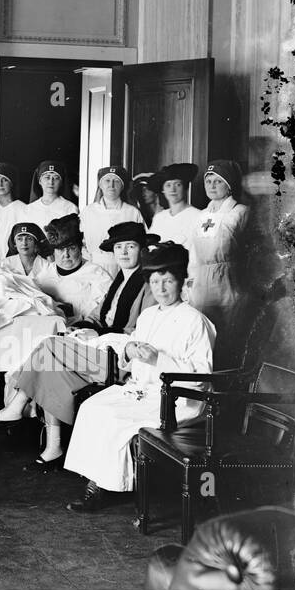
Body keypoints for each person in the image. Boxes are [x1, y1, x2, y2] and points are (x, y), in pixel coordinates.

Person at [0, 222, 160, 469]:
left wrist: (98, 332)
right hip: (102, 349)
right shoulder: (120, 278)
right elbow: (99, 314)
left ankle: (16, 406)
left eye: (130, 246)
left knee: (49, 346)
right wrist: (82, 327)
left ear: (141, 249)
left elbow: (142, 332)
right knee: (50, 368)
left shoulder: (149, 284)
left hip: (120, 360)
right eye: (119, 247)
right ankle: (53, 448)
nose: (123, 252)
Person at [63, 242, 216, 511]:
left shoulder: (195, 321)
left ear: (181, 282)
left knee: (114, 418)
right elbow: (133, 348)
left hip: (176, 401)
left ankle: (101, 488)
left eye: (168, 281)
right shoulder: (148, 315)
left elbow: (202, 377)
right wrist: (129, 349)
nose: (161, 289)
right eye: (155, 282)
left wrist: (159, 360)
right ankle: (101, 480)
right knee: (91, 407)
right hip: (143, 390)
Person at [188, 159, 250, 338]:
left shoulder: (241, 212)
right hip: (201, 283)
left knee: (229, 333)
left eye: (218, 181)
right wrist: (191, 282)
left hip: (228, 282)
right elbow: (193, 254)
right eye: (208, 181)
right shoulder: (201, 215)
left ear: (229, 186)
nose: (212, 186)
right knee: (202, 333)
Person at [36, 214, 113, 326]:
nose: (66, 255)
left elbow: (102, 313)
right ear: (54, 251)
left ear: (80, 249)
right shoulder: (44, 274)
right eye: (60, 249)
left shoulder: (98, 275)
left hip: (84, 329)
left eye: (72, 248)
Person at [80, 164, 145, 273]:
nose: (111, 185)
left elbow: (142, 242)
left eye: (116, 181)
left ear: (122, 186)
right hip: (93, 266)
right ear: (100, 185)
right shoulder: (88, 212)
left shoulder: (132, 212)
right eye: (107, 181)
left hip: (125, 268)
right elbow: (80, 242)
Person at [149, 162, 204, 253]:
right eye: (168, 185)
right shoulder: (159, 218)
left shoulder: (199, 216)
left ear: (185, 188)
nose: (172, 189)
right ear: (163, 190)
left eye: (178, 184)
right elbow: (150, 246)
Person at [23, 159, 78, 232]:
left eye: (56, 178)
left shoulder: (70, 208)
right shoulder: (29, 209)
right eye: (47, 177)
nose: (51, 182)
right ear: (40, 181)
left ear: (61, 182)